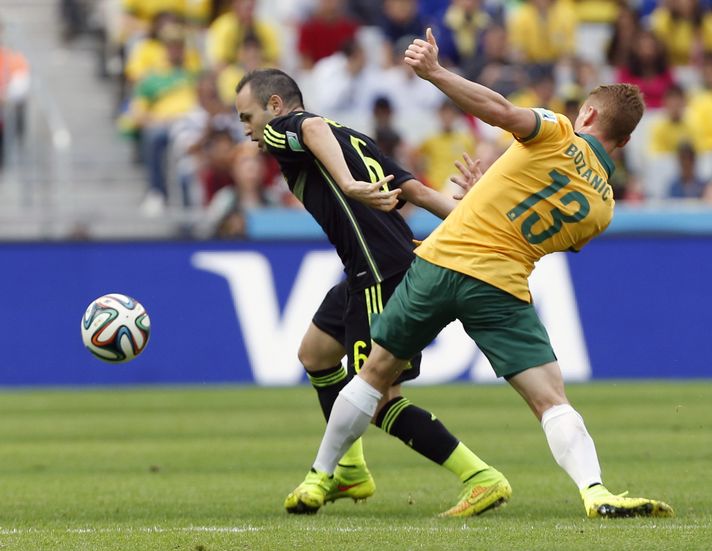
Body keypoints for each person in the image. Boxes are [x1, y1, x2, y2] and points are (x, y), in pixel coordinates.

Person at [286, 28, 675, 519]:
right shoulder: (604, 207)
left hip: (439, 265)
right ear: (627, 139)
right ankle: (595, 491)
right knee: (550, 399)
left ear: (590, 115)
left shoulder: (557, 130)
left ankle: (322, 475)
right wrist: (479, 199)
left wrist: (434, 72)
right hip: (500, 285)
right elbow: (526, 226)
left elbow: (500, 110)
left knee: (374, 376)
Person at [235, 68, 506, 516]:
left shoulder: (291, 129)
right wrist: (469, 216)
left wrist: (348, 184)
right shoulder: (353, 135)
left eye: (248, 117)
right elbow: (414, 190)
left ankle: (480, 476)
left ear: (276, 106)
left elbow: (311, 126)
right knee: (317, 354)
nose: (246, 130)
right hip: (370, 269)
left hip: (381, 273)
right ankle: (351, 472)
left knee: (378, 398)